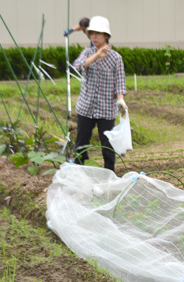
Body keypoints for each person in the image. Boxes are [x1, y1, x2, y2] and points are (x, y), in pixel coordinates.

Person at [72, 16, 127, 172]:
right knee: (81, 144)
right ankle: (81, 173)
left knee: (107, 146)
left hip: (106, 110)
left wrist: (120, 100)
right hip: (86, 107)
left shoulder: (116, 58)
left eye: (98, 33)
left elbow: (120, 82)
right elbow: (77, 66)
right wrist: (96, 55)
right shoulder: (87, 53)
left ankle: (108, 175)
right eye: (92, 33)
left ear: (106, 36)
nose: (94, 37)